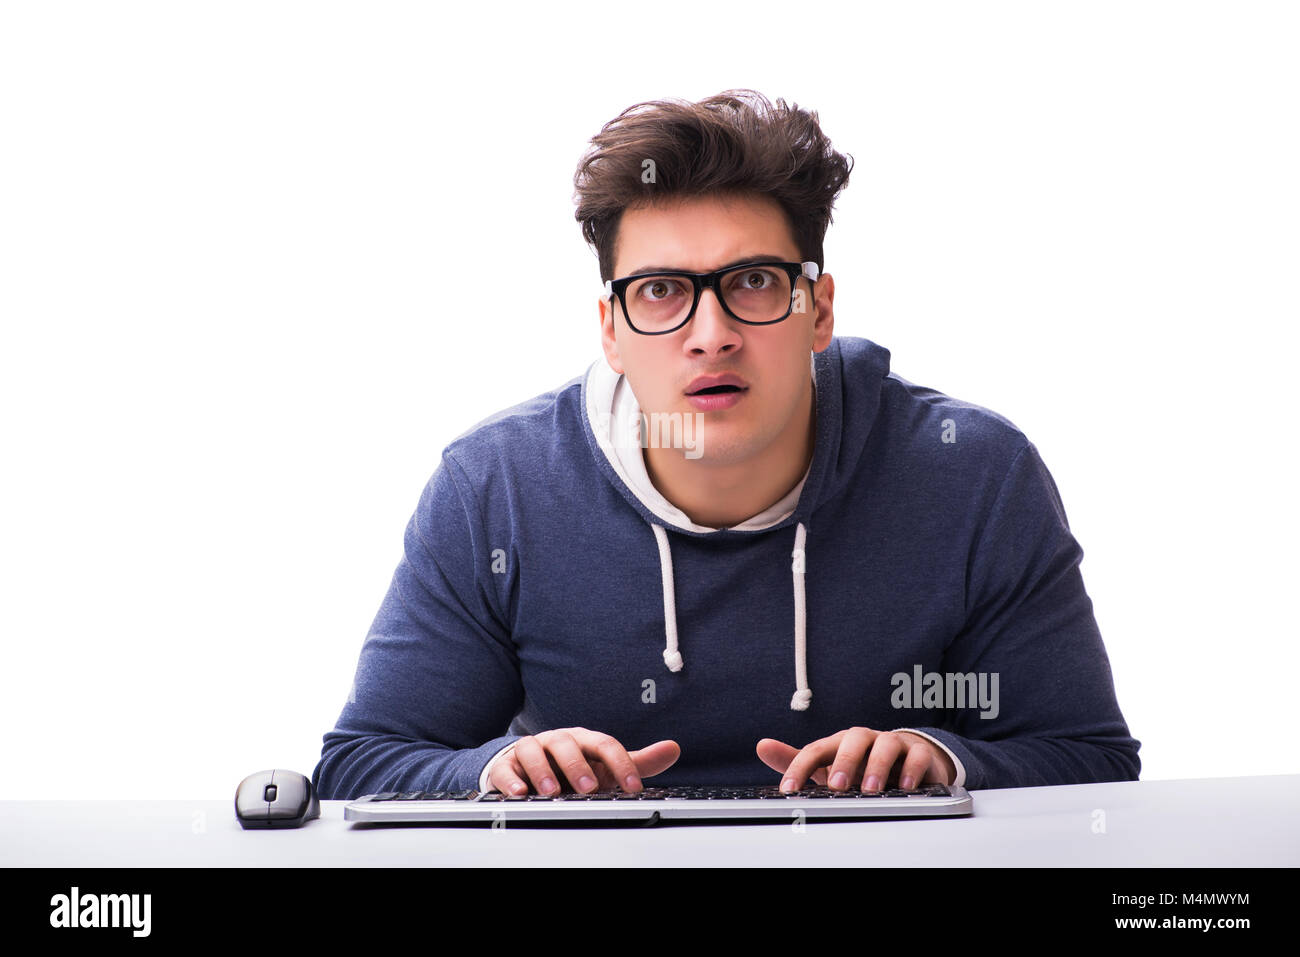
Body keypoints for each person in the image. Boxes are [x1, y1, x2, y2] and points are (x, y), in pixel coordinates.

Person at [311, 90, 1140, 801]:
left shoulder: (973, 475)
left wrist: (951, 759)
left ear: (817, 309)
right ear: (611, 329)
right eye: (662, 290)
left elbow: (1093, 760)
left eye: (751, 282)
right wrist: (495, 769)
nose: (711, 336)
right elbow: (360, 764)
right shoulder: (495, 489)